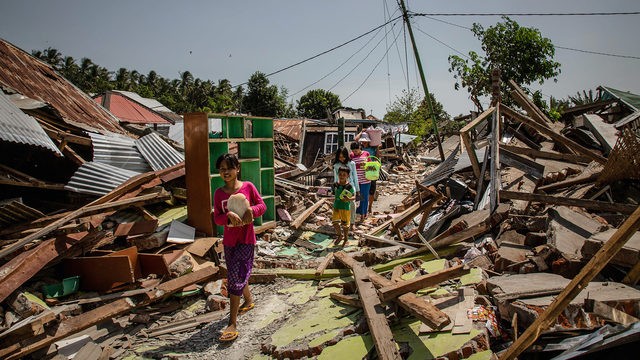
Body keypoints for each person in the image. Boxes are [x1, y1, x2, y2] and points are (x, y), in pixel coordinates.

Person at [211, 153, 266, 342]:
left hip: (246, 239)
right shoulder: (219, 193)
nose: (225, 172)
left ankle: (232, 323)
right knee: (239, 273)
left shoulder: (248, 187)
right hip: (229, 241)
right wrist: (226, 217)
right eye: (222, 169)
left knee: (234, 278)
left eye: (229, 168)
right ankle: (249, 301)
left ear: (237, 169)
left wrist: (252, 210)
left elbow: (262, 205)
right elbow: (217, 217)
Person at [332, 146, 359, 230]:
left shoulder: (352, 164)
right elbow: (336, 177)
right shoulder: (336, 165)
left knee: (352, 204)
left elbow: (355, 177)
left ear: (346, 155)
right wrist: (335, 188)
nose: (342, 158)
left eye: (343, 156)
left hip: (350, 187)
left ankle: (352, 223)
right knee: (341, 205)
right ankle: (343, 222)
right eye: (339, 157)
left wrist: (357, 190)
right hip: (340, 187)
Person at [355, 130, 381, 215]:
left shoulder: (373, 148)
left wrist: (377, 148)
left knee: (372, 190)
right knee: (362, 191)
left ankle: (369, 206)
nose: (364, 142)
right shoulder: (360, 149)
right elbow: (355, 139)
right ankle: (362, 207)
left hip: (372, 170)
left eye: (365, 141)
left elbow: (377, 157)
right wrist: (361, 132)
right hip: (362, 173)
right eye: (363, 141)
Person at [331, 167, 356, 246]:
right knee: (335, 223)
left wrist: (349, 199)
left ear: (348, 176)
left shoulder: (349, 187)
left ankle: (346, 238)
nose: (342, 176)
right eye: (340, 174)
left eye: (344, 175)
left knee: (345, 226)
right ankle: (339, 235)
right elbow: (333, 193)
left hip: (345, 208)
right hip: (336, 207)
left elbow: (355, 196)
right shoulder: (335, 184)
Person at [349, 141, 370, 222]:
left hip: (366, 179)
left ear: (360, 148)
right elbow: (350, 166)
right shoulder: (351, 155)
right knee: (358, 197)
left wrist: (366, 164)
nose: (355, 152)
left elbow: (371, 164)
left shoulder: (366, 154)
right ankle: (359, 211)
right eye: (353, 151)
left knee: (364, 197)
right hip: (355, 181)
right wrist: (359, 165)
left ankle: (363, 214)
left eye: (356, 150)